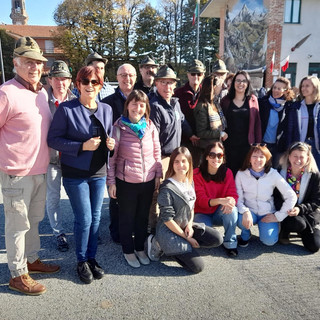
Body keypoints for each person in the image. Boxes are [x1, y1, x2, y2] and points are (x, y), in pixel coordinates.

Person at [0, 36, 60, 296]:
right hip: (16, 174)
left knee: (34, 220)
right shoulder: (6, 92)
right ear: (16, 63)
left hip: (39, 170)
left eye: (38, 62)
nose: (35, 67)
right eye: (28, 62)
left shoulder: (41, 93)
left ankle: (31, 260)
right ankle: (16, 274)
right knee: (17, 225)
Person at [47, 66, 115, 284]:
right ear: (77, 85)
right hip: (75, 173)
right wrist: (82, 146)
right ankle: (81, 260)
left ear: (100, 85)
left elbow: (109, 138)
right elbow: (53, 140)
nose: (89, 86)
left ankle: (92, 258)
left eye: (94, 82)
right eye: (85, 81)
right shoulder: (66, 109)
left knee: (95, 219)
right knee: (84, 219)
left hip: (99, 172)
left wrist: (111, 145)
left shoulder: (106, 109)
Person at [107, 90, 162, 268]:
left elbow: (156, 152)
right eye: (134, 103)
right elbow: (112, 158)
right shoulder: (118, 127)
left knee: (142, 218)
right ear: (127, 105)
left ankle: (139, 248)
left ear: (146, 107)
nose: (137, 108)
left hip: (147, 180)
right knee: (126, 218)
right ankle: (128, 250)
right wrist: (111, 182)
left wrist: (158, 174)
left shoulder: (150, 126)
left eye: (141, 104)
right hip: (126, 182)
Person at [147, 147, 223, 273]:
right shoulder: (167, 188)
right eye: (176, 162)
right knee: (198, 267)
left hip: (184, 225)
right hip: (168, 230)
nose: (180, 165)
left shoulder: (189, 181)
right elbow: (167, 220)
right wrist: (187, 238)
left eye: (184, 161)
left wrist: (189, 225)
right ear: (172, 164)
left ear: (189, 163)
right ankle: (158, 242)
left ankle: (180, 248)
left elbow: (191, 206)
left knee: (217, 239)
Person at [149, 65, 195, 231]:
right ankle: (153, 232)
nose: (167, 87)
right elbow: (153, 139)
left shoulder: (175, 103)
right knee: (157, 196)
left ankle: (173, 228)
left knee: (175, 194)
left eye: (170, 83)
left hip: (175, 157)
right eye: (163, 82)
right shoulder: (155, 106)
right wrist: (156, 165)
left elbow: (183, 121)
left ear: (175, 85)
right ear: (156, 83)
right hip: (161, 158)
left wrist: (192, 136)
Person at [102, 63, 137, 243]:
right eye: (123, 75)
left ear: (135, 78)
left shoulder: (142, 100)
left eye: (130, 75)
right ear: (117, 78)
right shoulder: (107, 103)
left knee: (134, 198)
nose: (127, 79)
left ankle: (132, 228)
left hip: (136, 159)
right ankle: (116, 231)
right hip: (116, 157)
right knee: (116, 197)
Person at [236, 144, 296, 246]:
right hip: (250, 210)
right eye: (254, 156)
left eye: (261, 156)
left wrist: (278, 216)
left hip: (267, 212)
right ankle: (245, 235)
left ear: (267, 160)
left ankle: (273, 226)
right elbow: (238, 198)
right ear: (249, 158)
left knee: (269, 241)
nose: (257, 159)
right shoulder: (241, 174)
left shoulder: (273, 174)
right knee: (239, 219)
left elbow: (291, 195)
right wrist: (245, 211)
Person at [46, 60, 76, 252]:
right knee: (53, 198)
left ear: (70, 81)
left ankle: (83, 228)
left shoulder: (76, 102)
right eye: (57, 78)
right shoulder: (40, 100)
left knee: (77, 197)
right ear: (50, 80)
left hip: (72, 158)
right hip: (50, 160)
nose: (61, 83)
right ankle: (59, 233)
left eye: (64, 79)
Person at [193, 142, 238, 256]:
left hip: (219, 212)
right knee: (204, 237)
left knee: (232, 210)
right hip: (202, 213)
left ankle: (230, 243)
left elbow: (233, 194)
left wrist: (230, 201)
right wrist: (220, 200)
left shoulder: (227, 173)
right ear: (207, 156)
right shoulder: (196, 173)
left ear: (223, 158)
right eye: (212, 155)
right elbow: (200, 201)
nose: (216, 158)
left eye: (219, 155)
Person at [276, 142, 320, 253]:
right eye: (295, 156)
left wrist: (300, 209)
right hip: (286, 211)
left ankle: (308, 227)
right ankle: (285, 230)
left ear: (308, 158)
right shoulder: (279, 172)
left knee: (314, 246)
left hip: (306, 212)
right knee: (297, 223)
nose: (298, 160)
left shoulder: (314, 175)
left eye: (302, 157)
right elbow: (275, 196)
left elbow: (316, 200)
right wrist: (285, 209)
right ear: (289, 156)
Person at [221, 70, 262, 175]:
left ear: (248, 84)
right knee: (230, 174)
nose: (240, 83)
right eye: (238, 80)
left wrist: (257, 145)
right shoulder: (225, 101)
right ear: (233, 82)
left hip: (247, 146)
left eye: (244, 81)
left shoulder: (253, 100)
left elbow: (257, 123)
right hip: (229, 146)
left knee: (246, 174)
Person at [284, 76, 320, 168]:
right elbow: (290, 130)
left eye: (307, 86)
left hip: (317, 147)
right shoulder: (295, 107)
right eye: (302, 86)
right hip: (300, 145)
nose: (303, 88)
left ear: (315, 87)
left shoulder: (318, 107)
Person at [174, 59, 205, 167]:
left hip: (203, 142)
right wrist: (189, 134)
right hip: (184, 141)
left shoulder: (207, 93)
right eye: (193, 74)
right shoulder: (177, 93)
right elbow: (176, 118)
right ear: (188, 75)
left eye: (199, 74)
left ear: (203, 75)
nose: (196, 77)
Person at [259, 77, 295, 166]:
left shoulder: (289, 106)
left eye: (279, 88)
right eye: (274, 87)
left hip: (278, 146)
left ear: (286, 91)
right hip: (263, 144)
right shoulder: (263, 102)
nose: (275, 90)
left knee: (275, 170)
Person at [193, 75, 228, 151]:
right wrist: (220, 134)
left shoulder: (215, 104)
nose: (222, 88)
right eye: (220, 86)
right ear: (214, 87)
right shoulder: (202, 106)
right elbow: (201, 132)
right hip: (206, 149)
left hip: (217, 147)